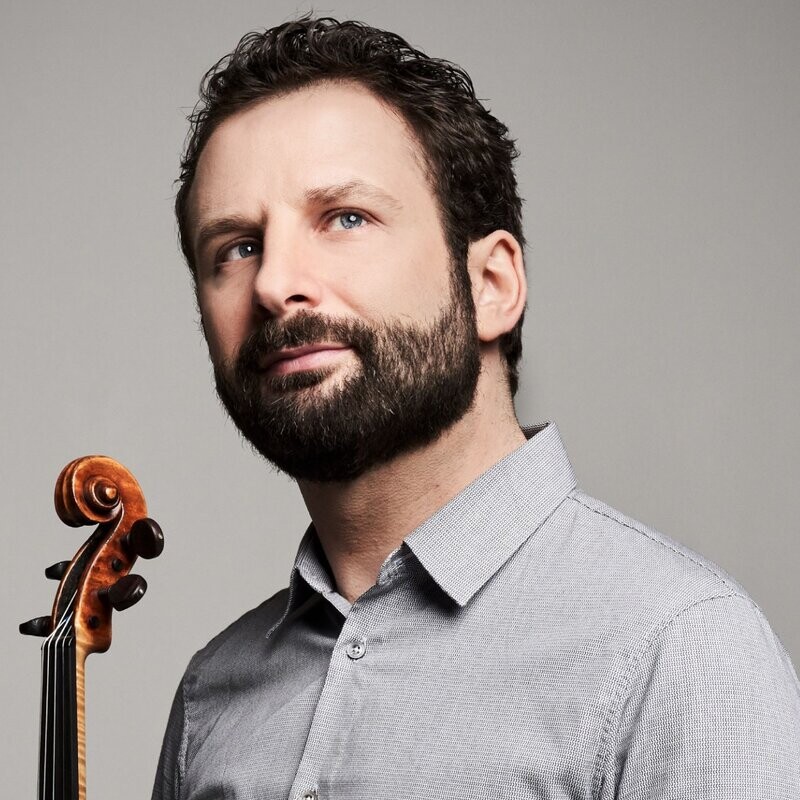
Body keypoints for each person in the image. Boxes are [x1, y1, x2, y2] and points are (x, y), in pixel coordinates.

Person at [152, 16, 800, 800]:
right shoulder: (211, 697)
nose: (273, 282)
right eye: (236, 247)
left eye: (346, 218)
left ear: (492, 286)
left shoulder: (679, 649)